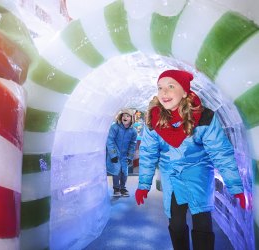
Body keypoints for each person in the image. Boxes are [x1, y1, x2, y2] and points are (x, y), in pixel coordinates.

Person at [134, 69, 247, 250]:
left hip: (199, 175)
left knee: (202, 223)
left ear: (185, 91)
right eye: (160, 87)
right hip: (172, 177)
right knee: (176, 223)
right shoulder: (153, 119)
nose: (164, 92)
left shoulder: (204, 117)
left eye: (171, 86)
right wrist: (143, 184)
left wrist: (235, 186)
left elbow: (220, 152)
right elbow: (148, 153)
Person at [106, 109, 137, 197]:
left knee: (125, 172)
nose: (125, 117)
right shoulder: (115, 127)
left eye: (127, 116)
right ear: (121, 117)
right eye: (124, 115)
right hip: (116, 153)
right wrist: (113, 154)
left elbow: (132, 144)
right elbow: (110, 140)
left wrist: (130, 157)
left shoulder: (133, 131)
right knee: (117, 171)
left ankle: (123, 187)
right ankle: (116, 188)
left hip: (124, 155)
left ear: (131, 119)